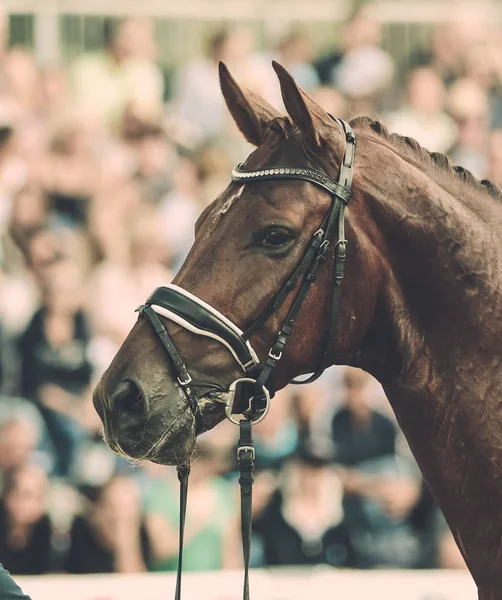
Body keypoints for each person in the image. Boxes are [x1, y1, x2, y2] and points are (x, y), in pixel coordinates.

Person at [66, 476, 150, 574]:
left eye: (127, 508)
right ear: (98, 512)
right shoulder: (80, 534)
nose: (119, 516)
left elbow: (135, 583)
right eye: (113, 507)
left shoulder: (144, 535)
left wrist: (126, 545)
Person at [0, 465, 52, 575]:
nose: (37, 504)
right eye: (27, 495)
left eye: (40, 496)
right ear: (9, 497)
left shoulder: (43, 525)